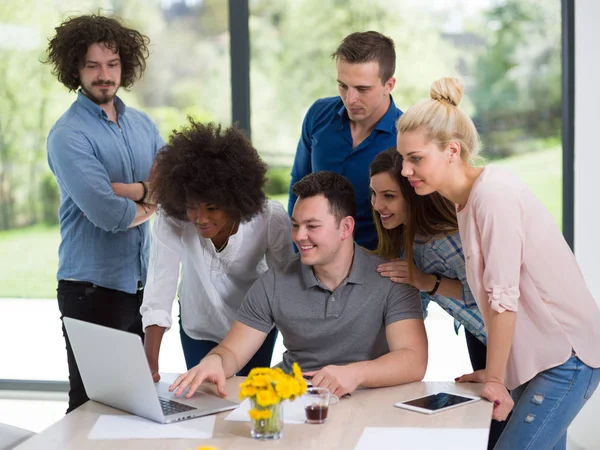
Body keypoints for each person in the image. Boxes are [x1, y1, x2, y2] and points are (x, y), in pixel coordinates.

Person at [396, 77, 600, 449]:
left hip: (566, 357)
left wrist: (495, 379)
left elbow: (503, 299)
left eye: (415, 159)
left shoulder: (493, 196)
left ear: (452, 151)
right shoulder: (465, 201)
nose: (406, 171)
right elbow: (492, 293)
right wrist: (497, 373)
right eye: (403, 159)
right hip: (544, 359)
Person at [169, 171, 427, 399]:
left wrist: (355, 374)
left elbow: (413, 360)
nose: (299, 236)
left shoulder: (392, 278)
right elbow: (232, 353)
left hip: (368, 401)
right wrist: (215, 361)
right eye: (295, 225)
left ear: (346, 227)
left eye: (312, 226)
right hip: (295, 402)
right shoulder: (273, 282)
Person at [44, 14, 163, 413]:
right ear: (75, 68)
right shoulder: (68, 135)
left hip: (137, 289)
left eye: (112, 65)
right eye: (92, 66)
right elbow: (110, 215)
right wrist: (150, 196)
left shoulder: (143, 126)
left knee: (133, 404)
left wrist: (133, 192)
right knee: (89, 405)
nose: (104, 75)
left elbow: (175, 187)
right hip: (90, 291)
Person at [137, 120, 294, 382]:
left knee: (249, 402)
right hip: (199, 324)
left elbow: (287, 287)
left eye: (212, 208)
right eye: (192, 207)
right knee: (207, 403)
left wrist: (303, 352)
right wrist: (149, 362)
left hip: (254, 327)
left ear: (235, 201)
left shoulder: (270, 218)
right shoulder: (173, 217)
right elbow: (159, 285)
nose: (200, 219)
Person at [369, 148, 505, 449]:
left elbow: (489, 294)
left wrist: (425, 281)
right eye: (374, 194)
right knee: (494, 430)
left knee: (509, 433)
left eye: (389, 196)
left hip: (513, 338)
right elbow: (416, 308)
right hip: (480, 335)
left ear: (413, 195)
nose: (378, 205)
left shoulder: (445, 238)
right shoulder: (408, 238)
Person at [288, 31, 402, 250]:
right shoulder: (318, 115)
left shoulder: (406, 138)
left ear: (389, 84)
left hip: (377, 264)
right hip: (313, 259)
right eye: (343, 85)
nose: (350, 99)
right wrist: (296, 254)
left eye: (362, 89)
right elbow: (298, 186)